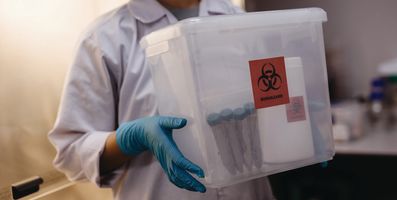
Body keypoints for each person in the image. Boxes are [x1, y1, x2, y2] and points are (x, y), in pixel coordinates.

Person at [48, 0, 275, 199]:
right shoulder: (103, 38)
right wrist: (129, 140)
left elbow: (273, 99)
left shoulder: (245, 23)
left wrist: (291, 115)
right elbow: (71, 154)